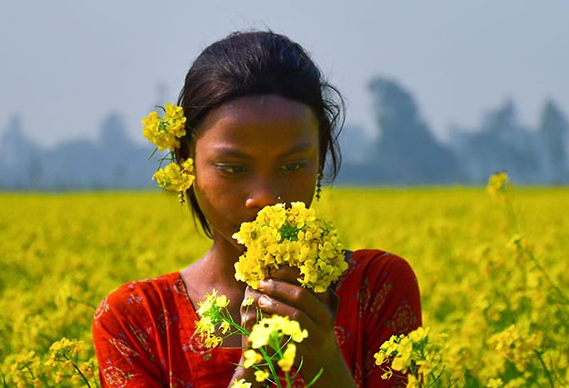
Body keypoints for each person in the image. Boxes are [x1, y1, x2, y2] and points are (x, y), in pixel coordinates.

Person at [93, 31, 422, 387]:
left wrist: (324, 359)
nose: (263, 197)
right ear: (186, 161)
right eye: (233, 168)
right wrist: (252, 374)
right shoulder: (133, 320)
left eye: (292, 166)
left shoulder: (376, 287)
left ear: (321, 156)